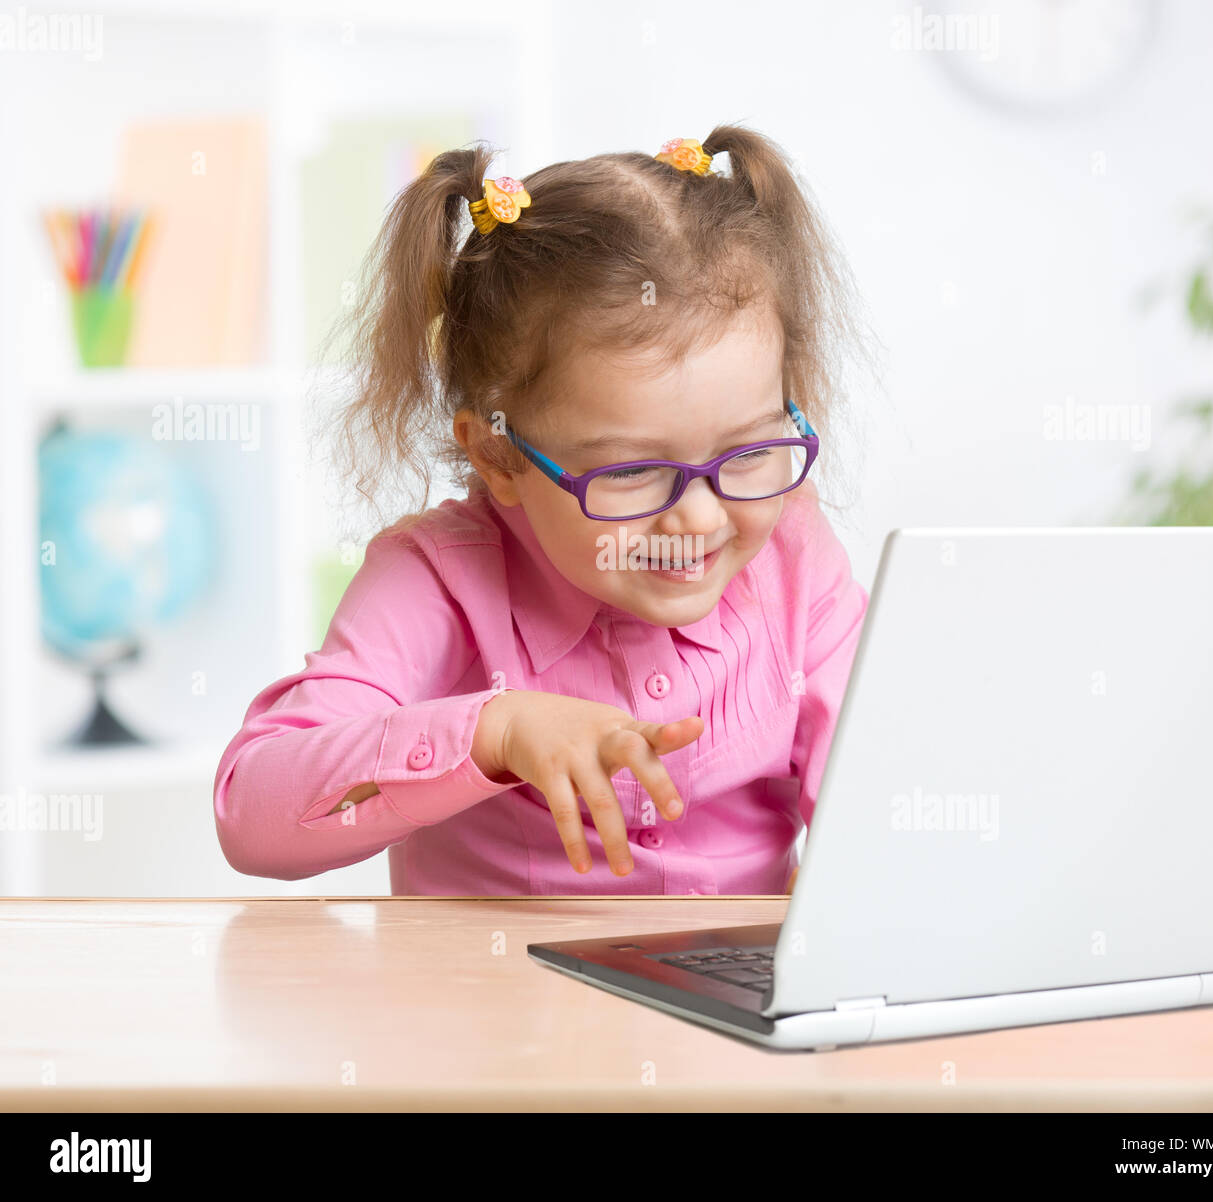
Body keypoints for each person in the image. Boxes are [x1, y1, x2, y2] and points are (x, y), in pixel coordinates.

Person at [213, 125, 876, 896]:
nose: (699, 518)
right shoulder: (441, 580)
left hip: (731, 1008)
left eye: (749, 453)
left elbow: (872, 808)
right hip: (493, 1011)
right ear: (498, 455)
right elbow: (251, 813)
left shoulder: (793, 553)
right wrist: (493, 732)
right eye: (633, 471)